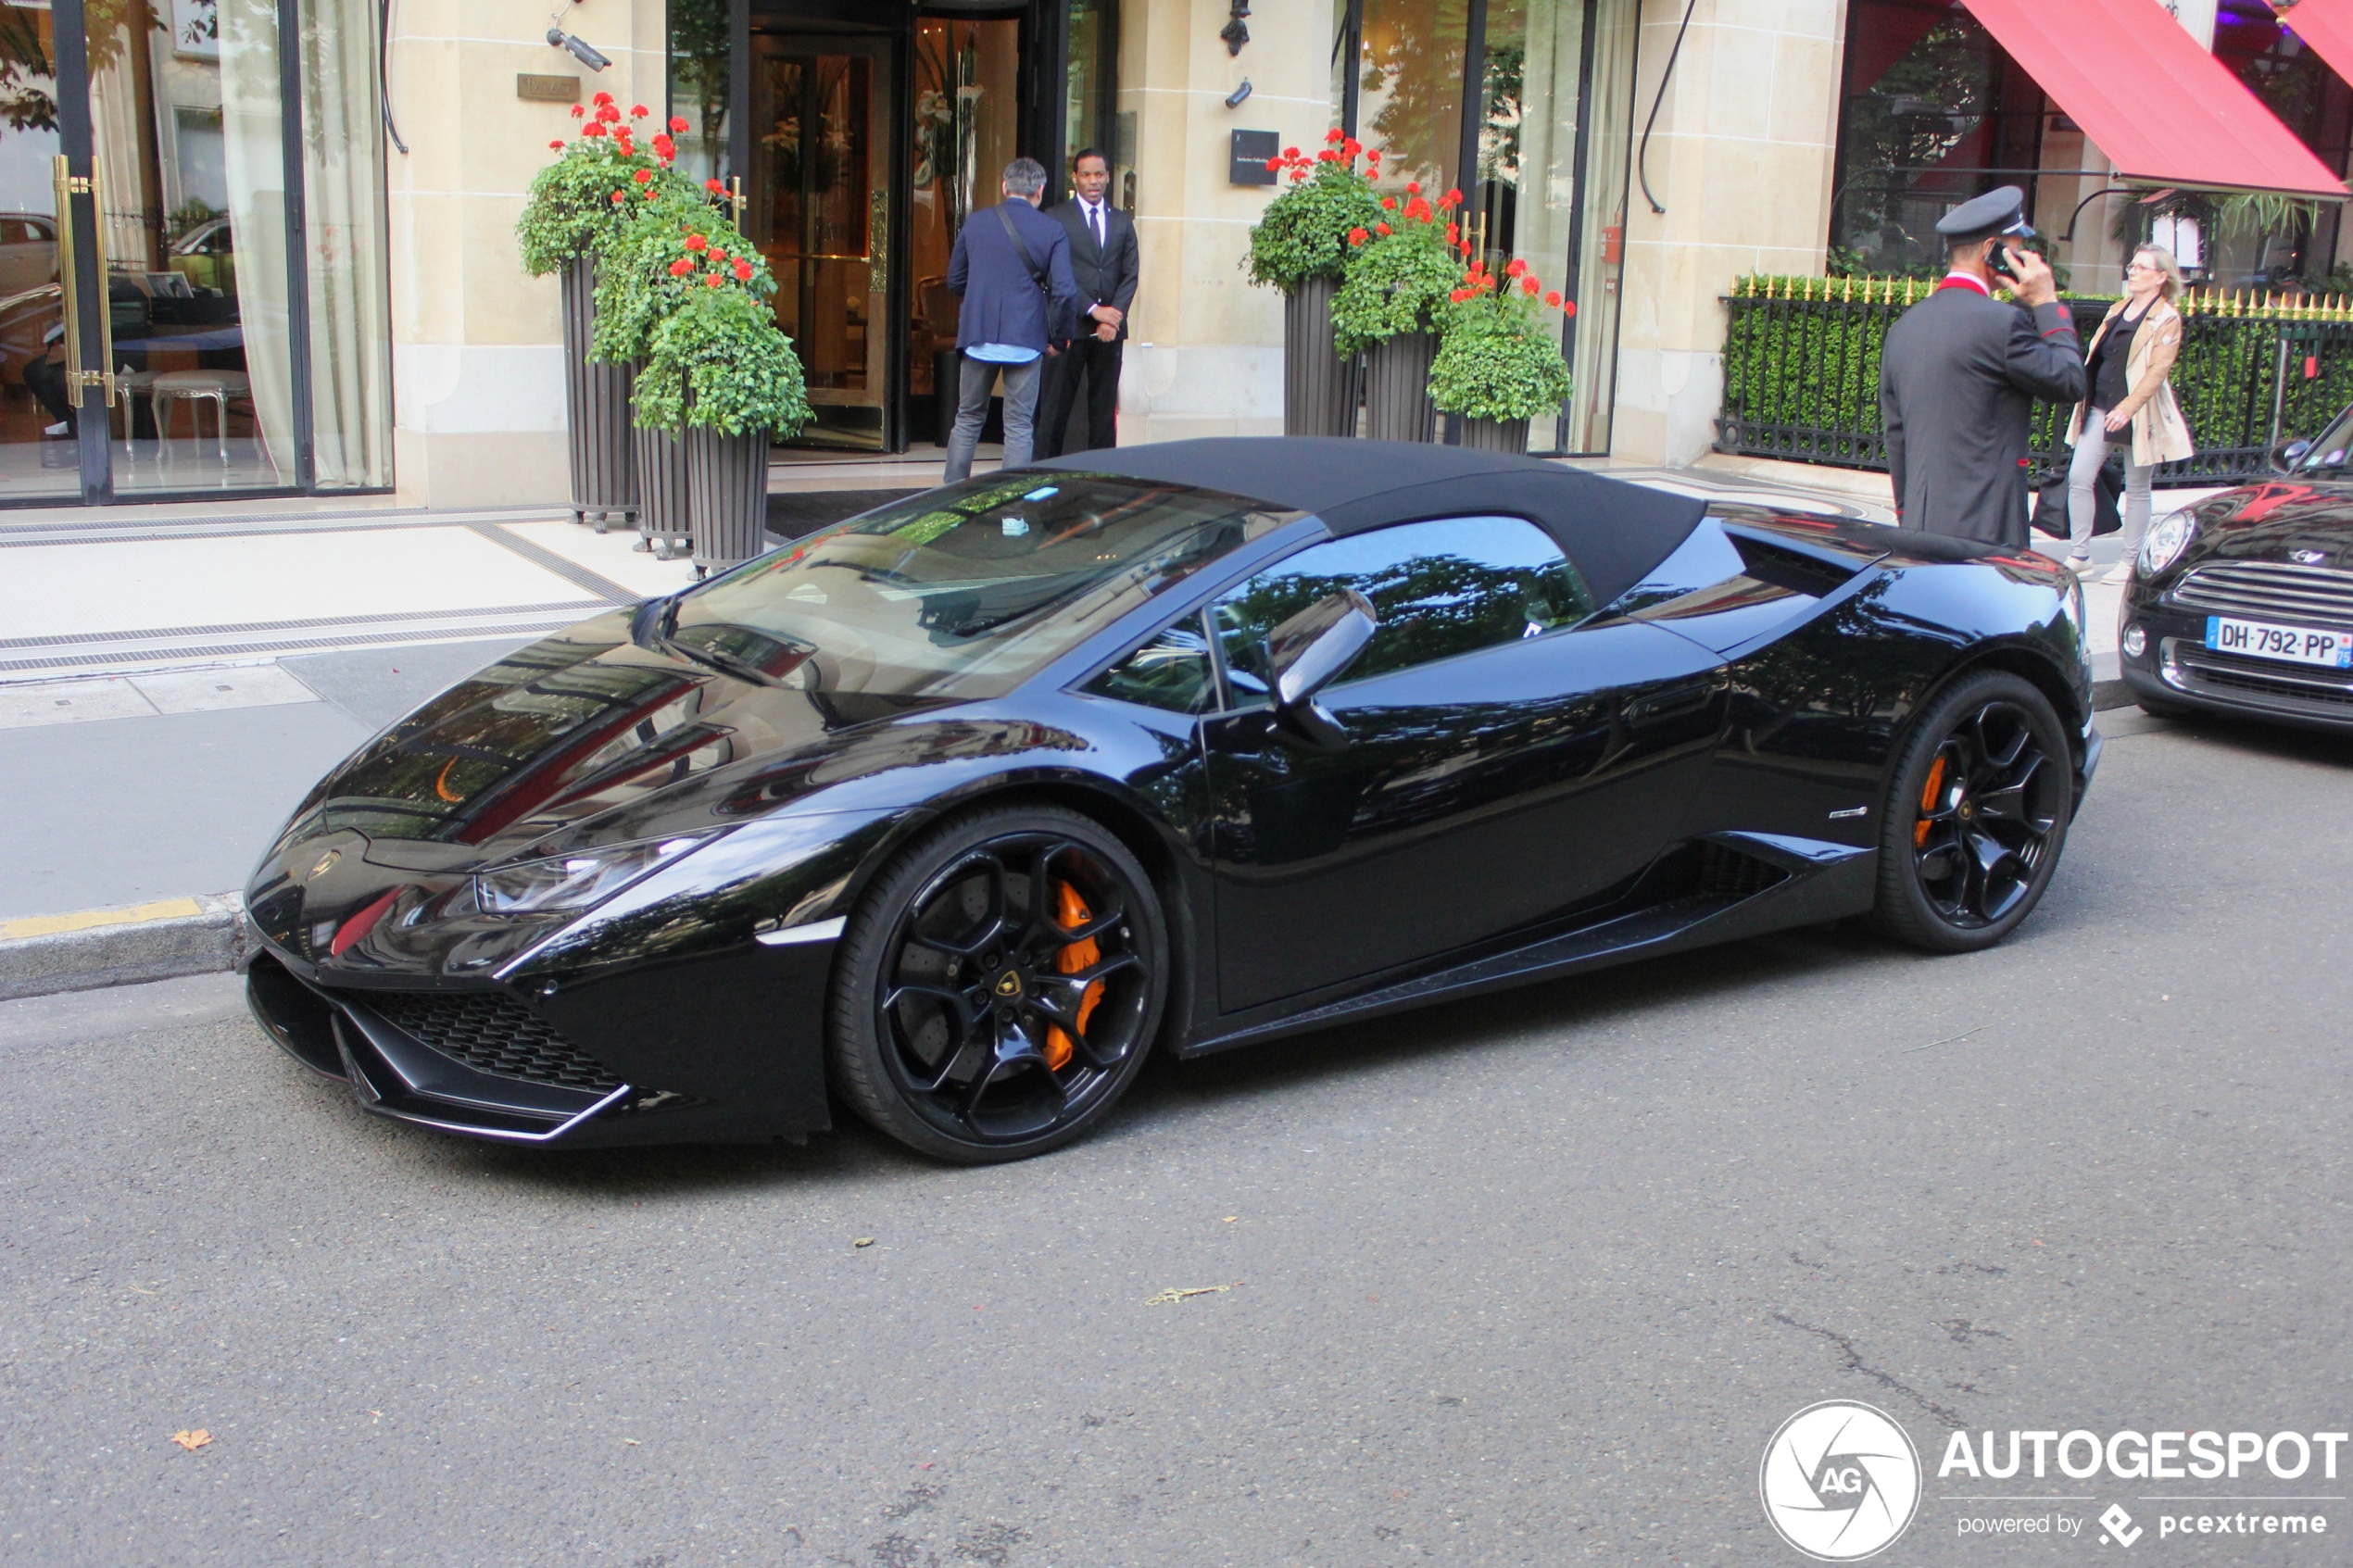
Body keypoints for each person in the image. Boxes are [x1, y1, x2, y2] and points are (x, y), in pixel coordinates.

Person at [1878, 186, 2087, 547]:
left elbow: (1896, 437)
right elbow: (2069, 380)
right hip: (1987, 531)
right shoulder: (2002, 323)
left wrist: (1908, 516)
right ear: (1993, 250)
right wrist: (2047, 302)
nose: (2023, 256)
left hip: (1918, 526)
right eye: (2017, 246)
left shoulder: (1905, 327)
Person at [943, 157, 1079, 483]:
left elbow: (954, 280)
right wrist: (1059, 338)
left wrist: (980, 294)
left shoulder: (976, 222)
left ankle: (948, 497)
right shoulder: (1052, 230)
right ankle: (1011, 511)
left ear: (1005, 187)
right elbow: (1065, 292)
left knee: (967, 419)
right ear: (1040, 190)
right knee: (1018, 426)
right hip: (1026, 339)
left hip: (978, 335)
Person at [2065, 245, 2194, 583]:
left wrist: (2127, 407)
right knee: (2079, 477)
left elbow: (2156, 371)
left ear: (2161, 276)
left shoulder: (2166, 318)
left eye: (2141, 267)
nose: (2132, 271)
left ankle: (2130, 559)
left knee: (2137, 487)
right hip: (2099, 405)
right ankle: (2080, 554)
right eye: (2132, 265)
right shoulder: (2118, 308)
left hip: (2140, 413)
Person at [1038, 147, 1139, 458]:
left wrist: (1113, 317)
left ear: (1108, 177)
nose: (1093, 181)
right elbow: (1056, 275)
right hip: (1070, 326)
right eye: (1086, 175)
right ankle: (1046, 472)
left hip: (1110, 333)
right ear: (1075, 178)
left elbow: (1131, 273)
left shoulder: (1122, 221)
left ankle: (1102, 473)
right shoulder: (1056, 218)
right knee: (1057, 408)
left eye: (1099, 174)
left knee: (1104, 408)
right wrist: (1096, 311)